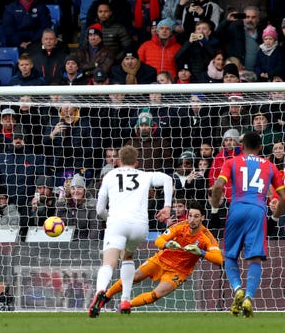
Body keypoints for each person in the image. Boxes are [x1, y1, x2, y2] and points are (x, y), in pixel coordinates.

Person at [89, 145, 172, 317]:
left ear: (118, 161)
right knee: (127, 256)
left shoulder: (110, 175)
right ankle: (125, 300)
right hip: (140, 226)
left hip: (117, 223)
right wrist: (167, 206)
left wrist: (109, 218)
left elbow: (99, 210)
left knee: (109, 263)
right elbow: (167, 180)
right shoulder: (145, 175)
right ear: (136, 162)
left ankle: (100, 291)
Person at [211, 131, 285, 317]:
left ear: (241, 147)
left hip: (236, 210)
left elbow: (218, 186)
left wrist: (213, 210)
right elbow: (283, 197)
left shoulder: (232, 162)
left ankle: (237, 289)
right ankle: (248, 298)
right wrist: (274, 219)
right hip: (258, 212)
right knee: (255, 259)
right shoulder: (270, 166)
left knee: (229, 256)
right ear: (261, 148)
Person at [99, 201, 223, 311]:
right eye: (190, 215)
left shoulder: (207, 237)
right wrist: (168, 244)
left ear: (202, 218)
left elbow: (219, 259)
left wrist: (201, 252)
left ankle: (125, 306)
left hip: (179, 271)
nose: (191, 219)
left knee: (156, 295)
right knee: (133, 277)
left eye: (196, 217)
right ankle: (106, 297)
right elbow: (159, 241)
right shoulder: (180, 226)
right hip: (161, 260)